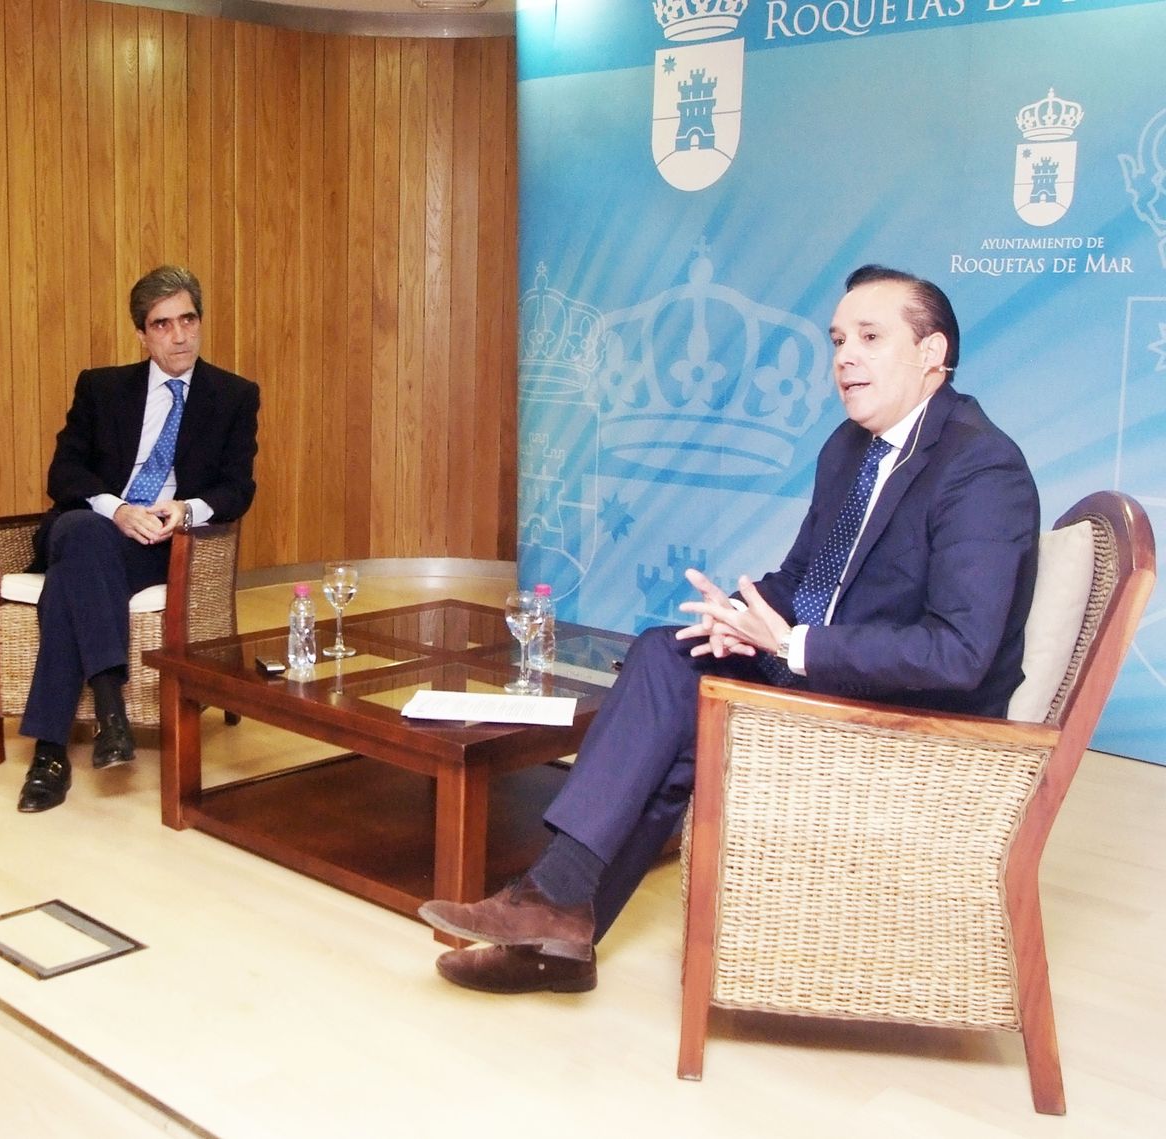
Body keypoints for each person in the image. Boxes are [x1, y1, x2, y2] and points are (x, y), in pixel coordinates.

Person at [419, 265, 1040, 994]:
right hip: (829, 670)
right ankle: (558, 917)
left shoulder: (981, 466)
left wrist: (793, 645)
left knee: (677, 706)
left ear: (932, 353)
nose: (845, 357)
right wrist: (742, 615)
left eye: (870, 338)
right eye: (838, 339)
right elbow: (806, 578)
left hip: (913, 717)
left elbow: (960, 654)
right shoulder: (850, 448)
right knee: (669, 651)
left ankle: (552, 912)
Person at [15, 265, 260, 814]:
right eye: (163, 324)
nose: (179, 335)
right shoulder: (101, 387)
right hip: (101, 523)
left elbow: (238, 487)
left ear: (199, 321)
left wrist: (184, 509)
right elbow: (65, 474)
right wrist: (119, 509)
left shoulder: (234, 395)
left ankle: (51, 756)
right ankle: (111, 709)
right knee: (81, 530)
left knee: (69, 581)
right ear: (142, 334)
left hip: (162, 543)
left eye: (188, 320)